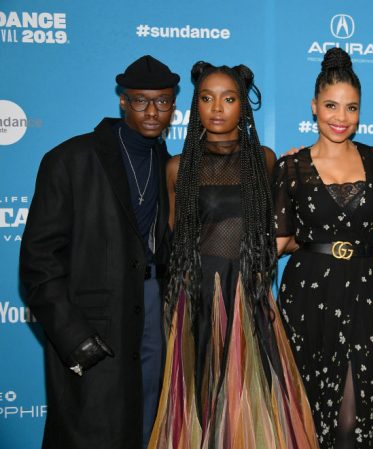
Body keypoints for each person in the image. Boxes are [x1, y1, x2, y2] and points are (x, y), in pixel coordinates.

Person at [147, 62, 317, 449]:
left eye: (229, 98)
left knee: (252, 403)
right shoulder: (177, 167)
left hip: (248, 295)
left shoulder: (265, 159)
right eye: (206, 98)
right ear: (195, 105)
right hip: (198, 298)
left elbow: (278, 229)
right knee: (201, 400)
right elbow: (173, 238)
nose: (217, 108)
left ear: (244, 105)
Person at [19, 55, 179, 449]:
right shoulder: (70, 159)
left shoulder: (171, 164)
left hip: (153, 319)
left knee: (146, 428)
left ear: (174, 105)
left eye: (162, 101)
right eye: (141, 100)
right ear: (122, 100)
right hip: (94, 326)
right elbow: (39, 264)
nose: (152, 111)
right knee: (92, 433)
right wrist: (74, 338)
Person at [274, 47, 373, 449]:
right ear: (313, 107)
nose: (340, 118)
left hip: (363, 291)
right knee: (308, 413)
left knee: (354, 414)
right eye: (331, 106)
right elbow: (278, 242)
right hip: (308, 294)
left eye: (351, 108)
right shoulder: (290, 167)